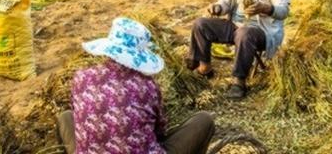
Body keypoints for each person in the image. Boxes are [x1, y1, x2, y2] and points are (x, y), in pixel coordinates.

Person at [56, 17, 215, 154]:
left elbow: (82, 117)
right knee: (204, 120)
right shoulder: (147, 87)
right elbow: (159, 131)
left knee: (65, 117)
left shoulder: (82, 77)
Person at [187, 0, 290, 99]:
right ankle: (204, 68)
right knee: (201, 24)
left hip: (262, 30)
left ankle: (239, 81)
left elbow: (284, 11)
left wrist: (266, 8)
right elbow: (226, 1)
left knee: (245, 33)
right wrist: (218, 8)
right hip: (235, 25)